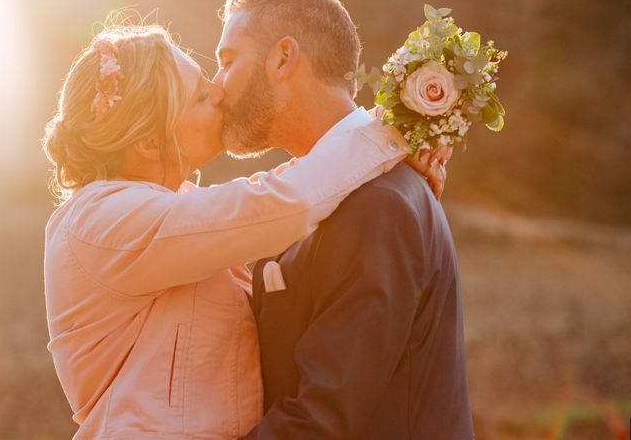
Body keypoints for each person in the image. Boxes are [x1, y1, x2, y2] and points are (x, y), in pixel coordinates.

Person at [41, 23, 450, 439]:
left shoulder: (167, 209)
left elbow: (276, 193)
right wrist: (391, 133)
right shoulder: (101, 221)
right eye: (201, 95)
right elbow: (281, 203)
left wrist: (384, 169)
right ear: (148, 141)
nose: (218, 91)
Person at [212, 0, 473, 439]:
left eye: (228, 62)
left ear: (283, 59)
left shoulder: (379, 204)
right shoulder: (318, 191)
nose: (216, 88)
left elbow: (323, 419)